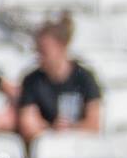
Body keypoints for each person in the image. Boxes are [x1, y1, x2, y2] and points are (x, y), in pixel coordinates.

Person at [17, 12, 102, 146]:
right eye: (38, 50)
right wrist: (52, 130)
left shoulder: (84, 77)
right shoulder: (31, 81)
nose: (39, 56)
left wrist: (71, 129)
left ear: (61, 47)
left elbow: (94, 123)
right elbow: (28, 125)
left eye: (44, 51)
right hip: (47, 147)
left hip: (80, 146)